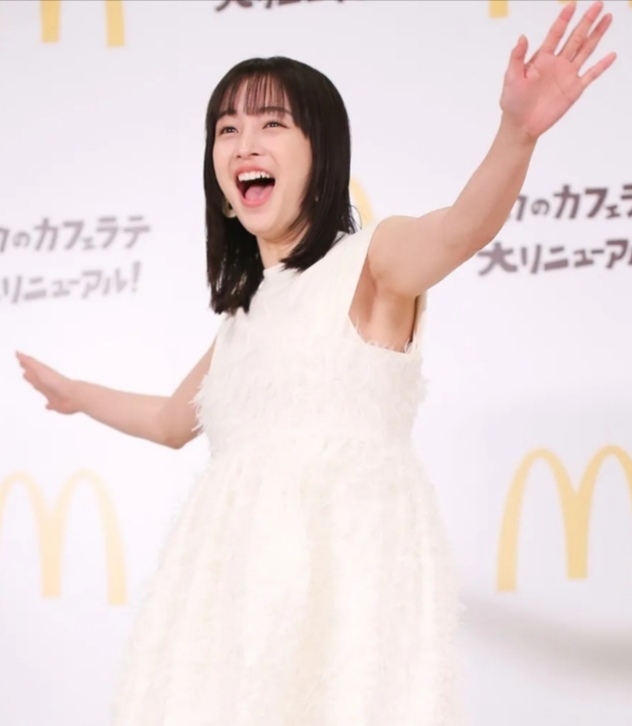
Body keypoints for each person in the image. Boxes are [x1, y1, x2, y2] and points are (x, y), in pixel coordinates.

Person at [16, 2, 615, 724]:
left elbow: (461, 229)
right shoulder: (245, 316)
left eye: (272, 124)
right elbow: (173, 422)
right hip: (230, 588)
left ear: (321, 156)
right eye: (227, 128)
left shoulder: (373, 261)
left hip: (345, 579)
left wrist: (516, 134)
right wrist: (76, 393)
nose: (245, 142)